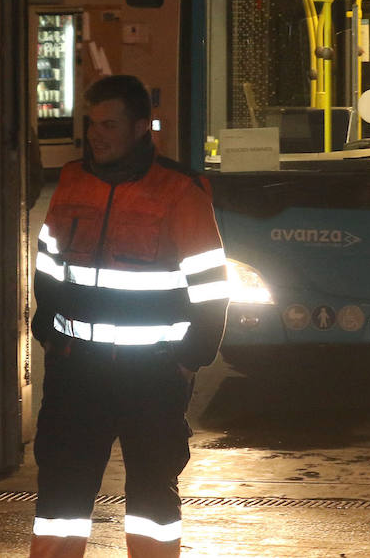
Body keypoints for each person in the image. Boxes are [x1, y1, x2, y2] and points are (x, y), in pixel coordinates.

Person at [29, 75, 229, 558]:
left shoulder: (179, 192)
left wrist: (188, 359)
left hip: (152, 372)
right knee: (61, 495)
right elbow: (48, 263)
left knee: (152, 498)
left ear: (142, 127)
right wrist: (48, 330)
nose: (98, 135)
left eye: (110, 124)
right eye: (92, 124)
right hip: (77, 368)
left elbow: (212, 287)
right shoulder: (73, 180)